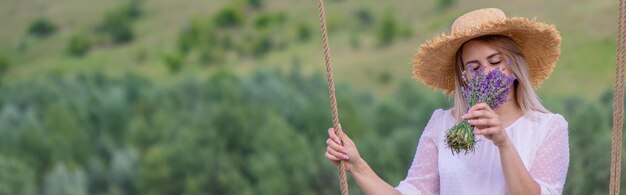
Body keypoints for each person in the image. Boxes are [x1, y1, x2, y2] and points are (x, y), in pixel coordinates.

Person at [324, 8, 569, 195]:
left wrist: (503, 142)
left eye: (495, 62)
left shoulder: (548, 127)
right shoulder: (443, 123)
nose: (485, 72)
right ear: (464, 78)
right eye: (473, 67)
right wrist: (357, 165)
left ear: (515, 65)